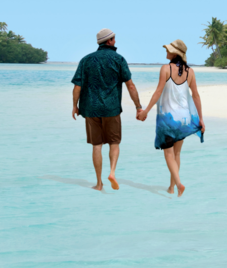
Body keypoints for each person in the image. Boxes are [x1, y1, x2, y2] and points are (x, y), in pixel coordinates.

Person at [72, 28, 142, 191]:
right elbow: (130, 85)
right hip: (111, 109)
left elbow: (77, 87)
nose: (115, 41)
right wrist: (138, 107)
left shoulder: (86, 60)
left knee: (97, 145)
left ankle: (98, 183)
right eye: (114, 39)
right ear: (109, 41)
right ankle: (112, 172)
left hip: (91, 109)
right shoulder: (118, 59)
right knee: (114, 143)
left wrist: (74, 106)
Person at [137, 39, 204, 196]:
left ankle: (179, 184)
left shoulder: (165, 69)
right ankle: (171, 187)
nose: (166, 51)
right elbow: (196, 96)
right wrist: (200, 119)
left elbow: (158, 92)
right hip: (184, 120)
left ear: (175, 53)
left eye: (169, 49)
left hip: (168, 120)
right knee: (177, 154)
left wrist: (146, 110)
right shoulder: (190, 72)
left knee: (168, 154)